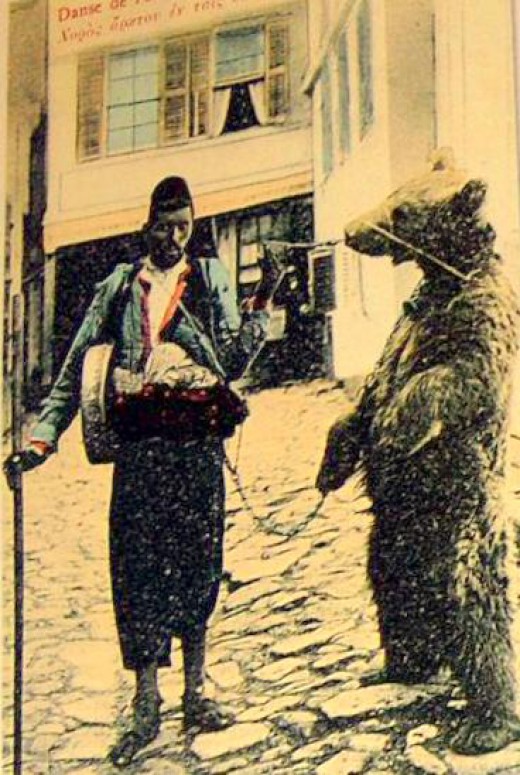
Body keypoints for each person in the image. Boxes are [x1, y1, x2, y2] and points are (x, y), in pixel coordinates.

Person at [4, 176, 282, 767]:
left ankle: (195, 693)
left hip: (196, 449)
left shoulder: (209, 279)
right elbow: (75, 371)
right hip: (141, 453)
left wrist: (262, 303)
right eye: (164, 226)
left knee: (198, 566)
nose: (174, 238)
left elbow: (232, 361)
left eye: (184, 227)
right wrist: (41, 439)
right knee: (137, 575)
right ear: (147, 225)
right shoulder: (119, 288)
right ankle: (145, 702)